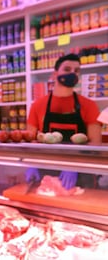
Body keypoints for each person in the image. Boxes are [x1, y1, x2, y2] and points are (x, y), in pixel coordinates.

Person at [25, 53, 102, 189]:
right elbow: (30, 141)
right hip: (46, 173)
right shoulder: (38, 105)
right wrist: (31, 164)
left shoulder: (89, 106)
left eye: (76, 71)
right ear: (54, 74)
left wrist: (73, 165)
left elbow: (95, 146)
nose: (72, 73)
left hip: (80, 175)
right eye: (67, 69)